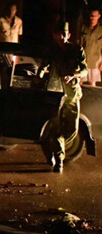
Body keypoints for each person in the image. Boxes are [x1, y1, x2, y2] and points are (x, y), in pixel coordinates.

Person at [38, 21, 87, 173]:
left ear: (69, 35)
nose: (62, 37)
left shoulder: (77, 50)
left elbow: (85, 69)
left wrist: (74, 75)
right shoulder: (51, 51)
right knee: (56, 126)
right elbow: (43, 67)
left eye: (65, 34)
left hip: (72, 93)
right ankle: (58, 160)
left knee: (72, 129)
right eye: (59, 34)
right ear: (54, 35)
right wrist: (38, 77)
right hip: (55, 93)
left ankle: (52, 147)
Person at [80, 8, 102, 86]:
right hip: (83, 61)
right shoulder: (84, 28)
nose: (92, 18)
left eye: (94, 16)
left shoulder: (101, 30)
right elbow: (80, 45)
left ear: (99, 16)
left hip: (95, 62)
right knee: (79, 83)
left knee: (92, 84)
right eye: (91, 16)